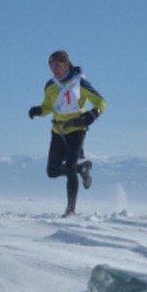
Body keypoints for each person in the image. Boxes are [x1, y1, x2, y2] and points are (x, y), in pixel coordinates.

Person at [28, 50, 106, 216]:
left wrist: (93, 114)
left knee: (69, 166)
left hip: (77, 129)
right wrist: (38, 110)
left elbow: (101, 102)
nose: (55, 69)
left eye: (58, 65)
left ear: (67, 65)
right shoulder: (50, 86)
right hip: (58, 130)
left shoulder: (80, 83)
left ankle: (70, 210)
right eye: (51, 66)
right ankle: (81, 169)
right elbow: (49, 107)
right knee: (52, 171)